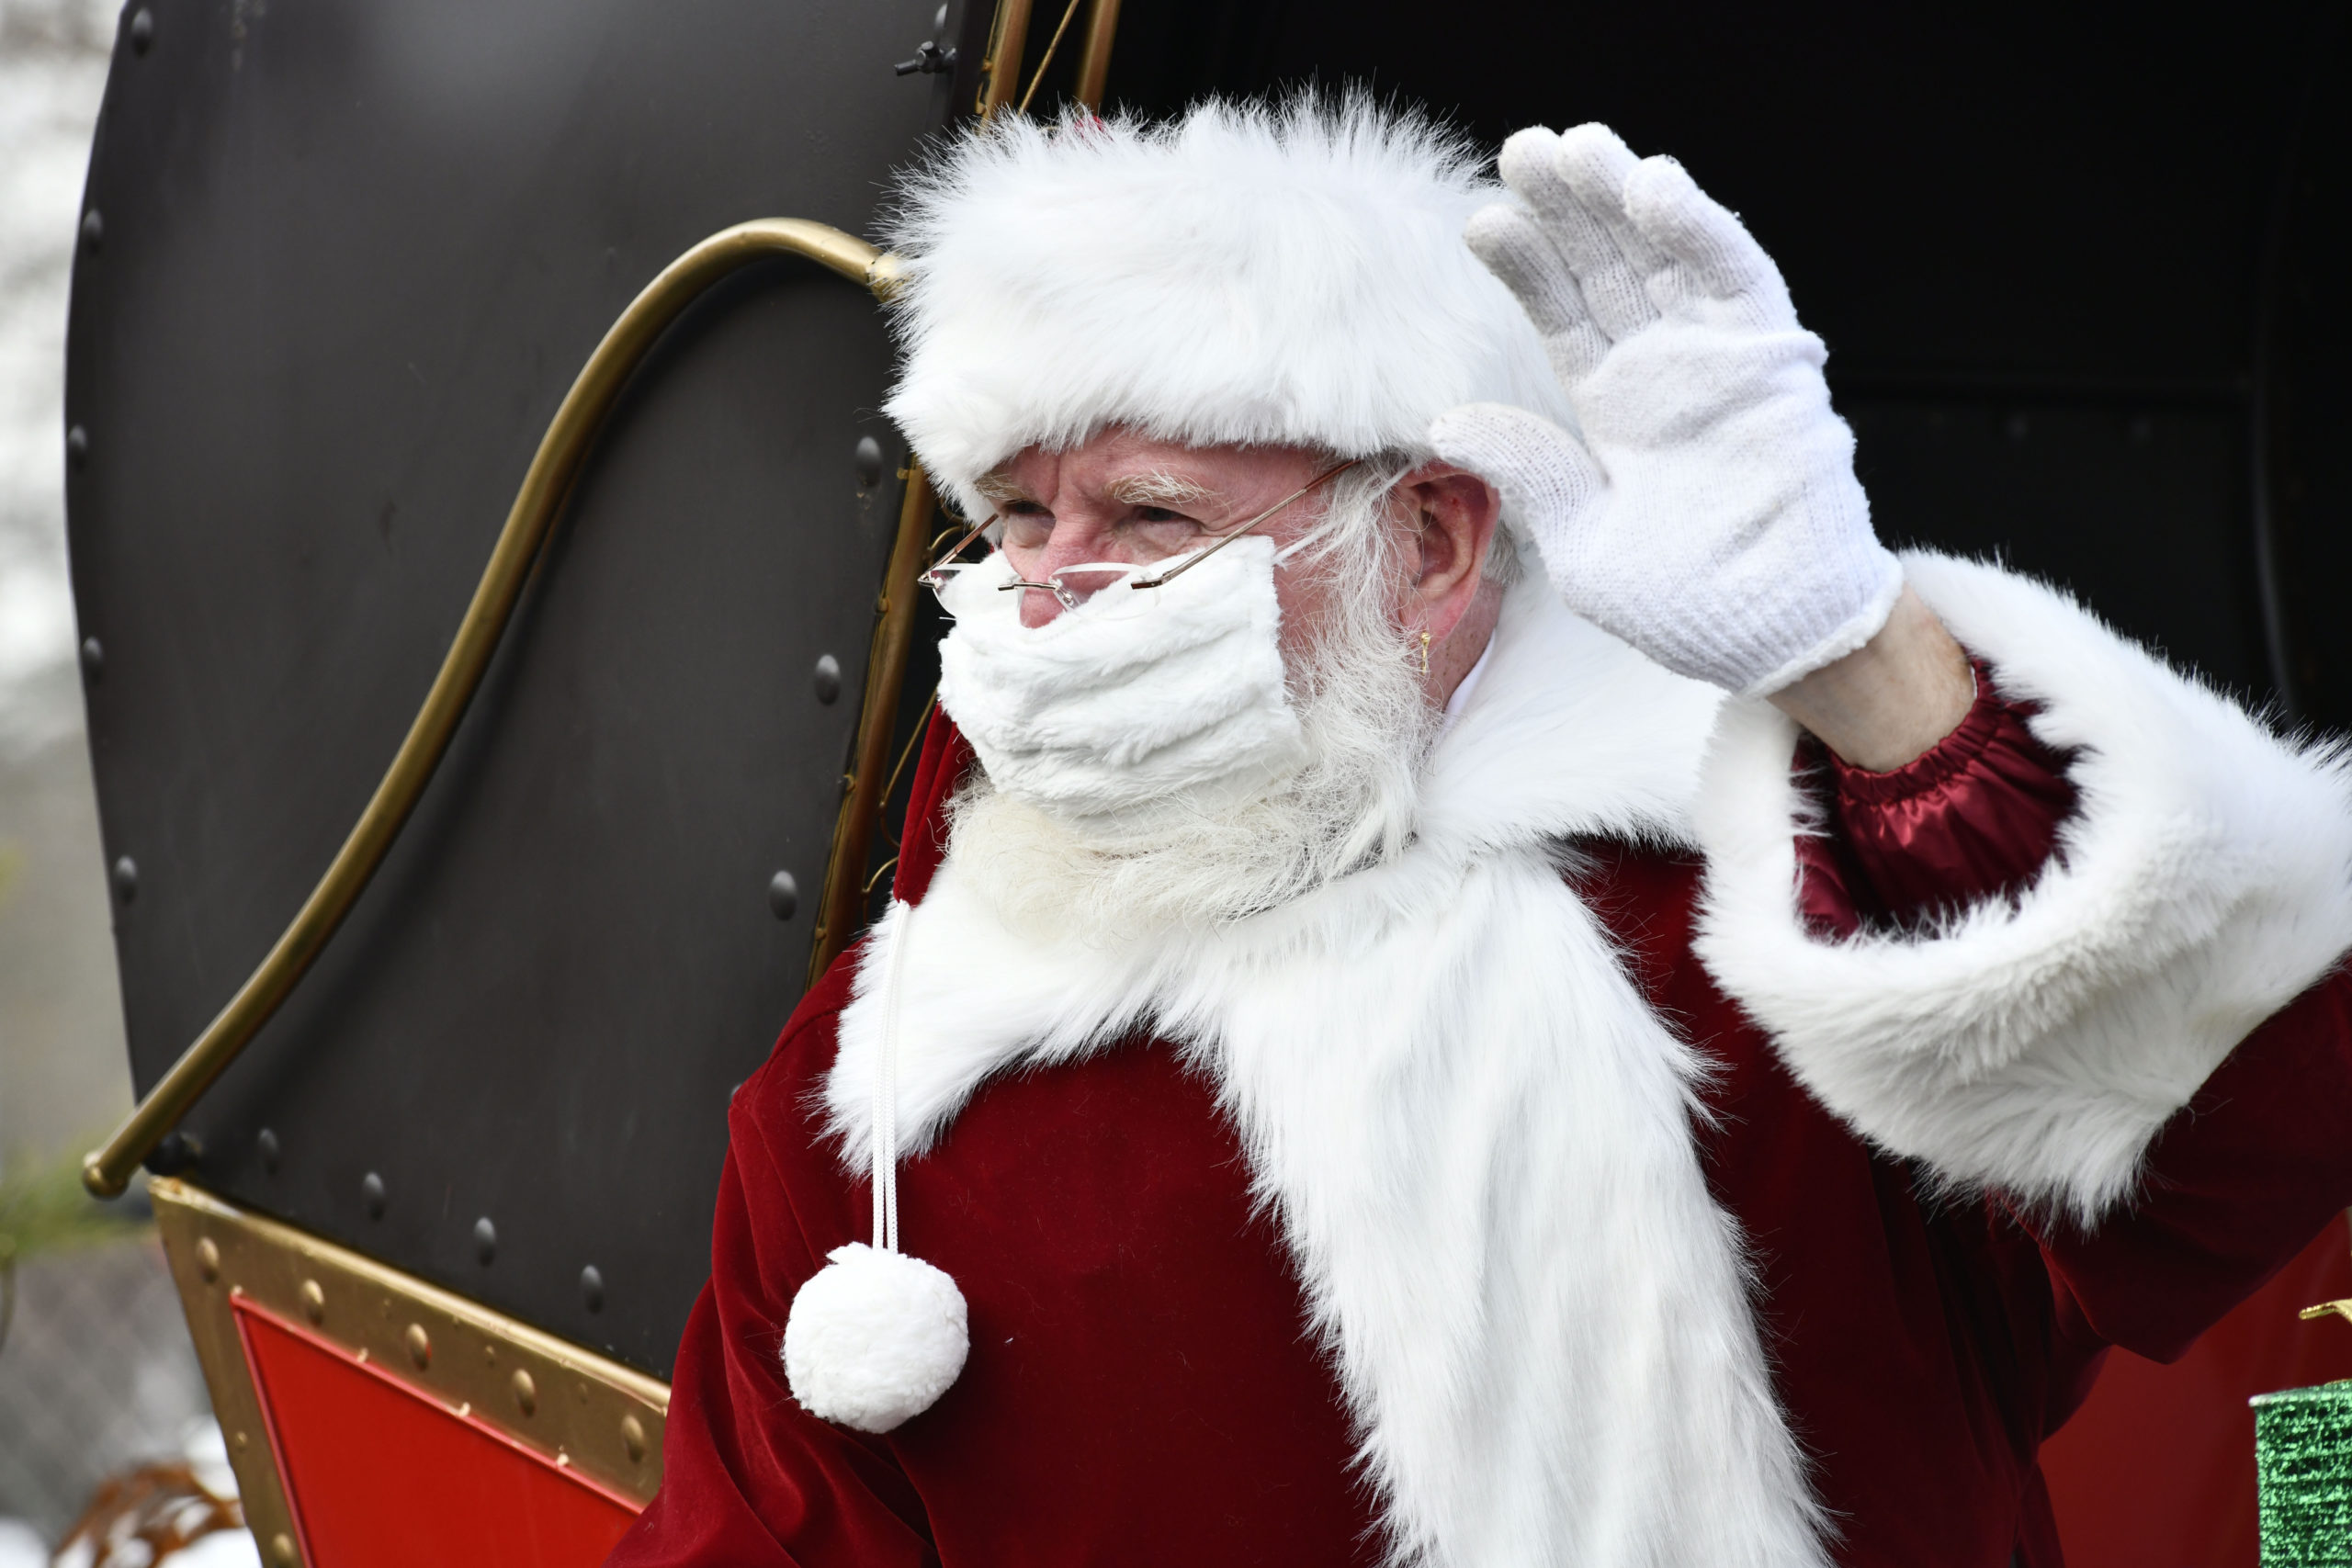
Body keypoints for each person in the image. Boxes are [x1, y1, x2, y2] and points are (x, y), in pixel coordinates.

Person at [606, 97, 2352, 1568]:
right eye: (1014, 518)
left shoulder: (1762, 890)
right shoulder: (884, 1085)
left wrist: (1871, 668)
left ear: (1430, 542)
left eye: (1146, 514)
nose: (1049, 591)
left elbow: (2239, 1155)